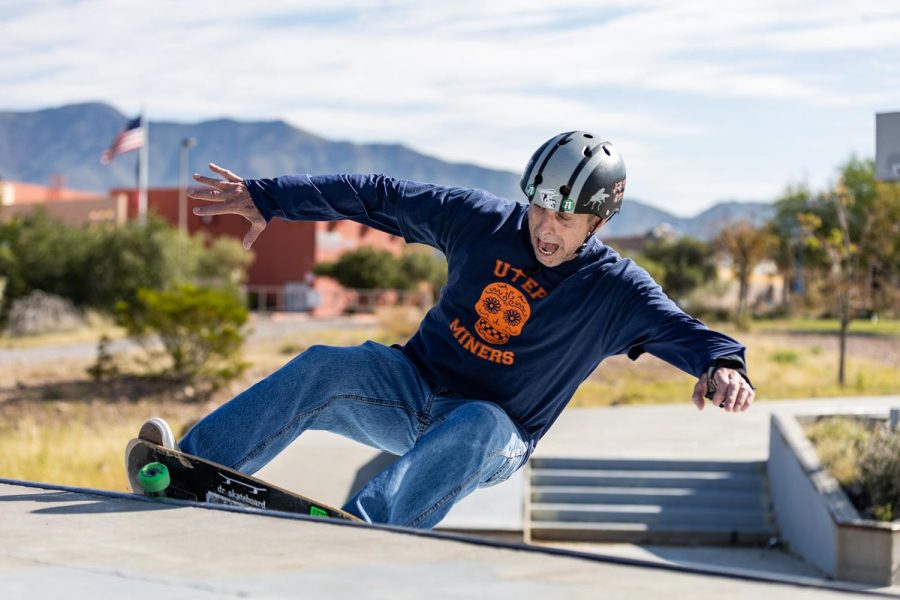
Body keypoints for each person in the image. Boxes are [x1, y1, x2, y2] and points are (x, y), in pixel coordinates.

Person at [132, 131, 754, 529]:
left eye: (565, 219)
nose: (546, 228)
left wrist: (723, 366)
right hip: (409, 393)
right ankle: (191, 466)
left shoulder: (615, 290)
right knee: (326, 365)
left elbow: (690, 333)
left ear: (596, 220)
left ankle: (367, 530)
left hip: (495, 435)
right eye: (539, 208)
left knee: (479, 422)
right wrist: (271, 196)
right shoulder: (480, 223)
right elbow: (377, 195)